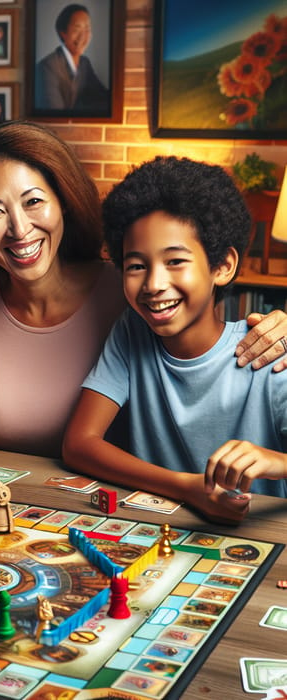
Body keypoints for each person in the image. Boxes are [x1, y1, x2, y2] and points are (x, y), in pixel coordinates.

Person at [0, 121, 287, 459]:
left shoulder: (133, 297)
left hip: (121, 506)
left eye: (34, 201)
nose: (20, 229)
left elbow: (208, 355)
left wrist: (281, 327)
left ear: (63, 201)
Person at [62, 156, 287, 525]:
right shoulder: (131, 331)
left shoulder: (267, 352)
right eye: (136, 266)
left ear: (222, 266)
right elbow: (79, 444)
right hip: (161, 531)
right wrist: (185, 487)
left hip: (261, 538)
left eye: (175, 261)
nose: (153, 284)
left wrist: (277, 462)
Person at [34, 4, 108, 112]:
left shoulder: (84, 63)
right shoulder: (47, 67)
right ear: (63, 33)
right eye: (77, 29)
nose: (83, 37)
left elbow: (102, 96)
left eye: (87, 29)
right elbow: (53, 113)